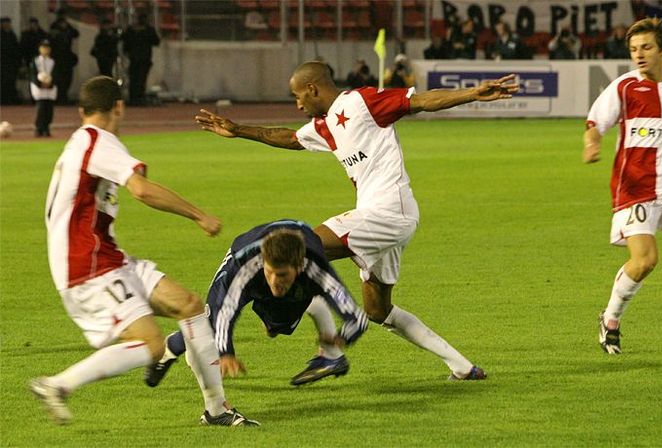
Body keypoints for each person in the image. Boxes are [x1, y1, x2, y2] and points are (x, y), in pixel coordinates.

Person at [195, 61, 519, 381]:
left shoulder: (360, 103)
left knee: (300, 248)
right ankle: (462, 367)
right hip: (383, 219)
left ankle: (330, 355)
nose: (297, 104)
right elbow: (290, 138)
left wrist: (474, 93)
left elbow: (419, 101)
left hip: (388, 211)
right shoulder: (326, 125)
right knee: (379, 312)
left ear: (312, 88)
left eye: (297, 96)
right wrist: (238, 131)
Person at [30, 76, 259, 427]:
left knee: (190, 306)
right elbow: (142, 190)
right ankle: (58, 385)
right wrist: (199, 214)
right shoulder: (99, 140)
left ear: (81, 110)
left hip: (107, 258)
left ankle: (216, 409)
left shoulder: (80, 141)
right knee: (151, 345)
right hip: (89, 266)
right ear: (119, 107)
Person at [145, 220, 368, 388]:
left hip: (300, 247)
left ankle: (279, 325)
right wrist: (226, 353)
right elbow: (226, 311)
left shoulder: (317, 270)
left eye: (281, 275)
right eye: (270, 272)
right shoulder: (247, 265)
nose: (274, 281)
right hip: (242, 259)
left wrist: (343, 338)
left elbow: (357, 317)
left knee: (277, 327)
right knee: (212, 322)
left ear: (299, 267)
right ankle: (171, 348)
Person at [583, 17, 662, 354]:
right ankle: (610, 318)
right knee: (645, 261)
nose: (639, 55)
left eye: (646, 48)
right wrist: (591, 142)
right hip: (635, 185)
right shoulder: (624, 86)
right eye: (634, 49)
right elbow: (596, 122)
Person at [121, 14, 160, 105]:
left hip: (137, 58)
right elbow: (156, 41)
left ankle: (134, 97)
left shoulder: (132, 30)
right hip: (142, 58)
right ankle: (138, 97)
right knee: (140, 79)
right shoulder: (148, 30)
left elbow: (125, 42)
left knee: (135, 78)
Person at [29, 40, 57, 137]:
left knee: (49, 109)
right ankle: (39, 128)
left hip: (50, 88)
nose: (45, 50)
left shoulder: (53, 61)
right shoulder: (35, 61)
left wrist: (50, 83)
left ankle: (46, 127)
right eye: (43, 47)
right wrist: (40, 83)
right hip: (39, 88)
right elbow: (32, 74)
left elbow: (56, 74)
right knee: (41, 109)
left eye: (47, 48)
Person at [49, 14, 79, 104]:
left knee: (67, 79)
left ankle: (63, 97)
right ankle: (59, 98)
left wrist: (68, 27)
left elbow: (76, 34)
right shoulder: (54, 31)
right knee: (58, 80)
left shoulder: (68, 30)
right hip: (57, 59)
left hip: (66, 59)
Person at [0, 17, 22, 105]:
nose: (7, 25)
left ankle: (10, 99)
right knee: (2, 82)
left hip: (12, 64)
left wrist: (18, 62)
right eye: (5, 23)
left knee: (11, 82)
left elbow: (17, 49)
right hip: (2, 63)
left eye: (8, 23)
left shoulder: (12, 35)